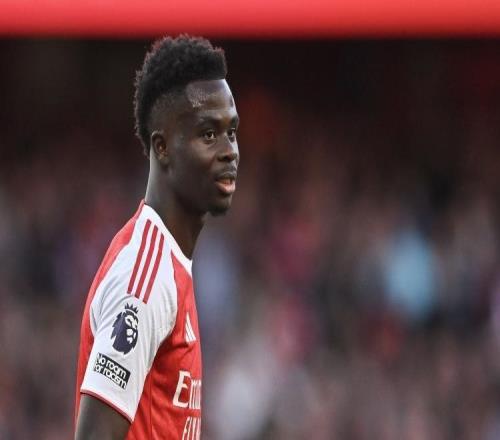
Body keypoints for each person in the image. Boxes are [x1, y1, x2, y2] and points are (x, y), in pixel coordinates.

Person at [74, 35, 240, 439]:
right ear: (162, 147)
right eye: (208, 134)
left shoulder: (171, 263)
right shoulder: (145, 278)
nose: (230, 151)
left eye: (232, 132)